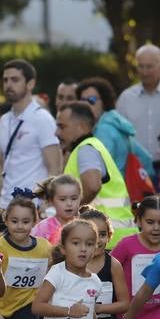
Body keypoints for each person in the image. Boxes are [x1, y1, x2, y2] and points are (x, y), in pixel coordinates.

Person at [55, 101, 136, 245]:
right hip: (116, 238)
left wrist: (69, 212)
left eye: (62, 126)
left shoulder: (85, 149)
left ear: (82, 126)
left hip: (106, 240)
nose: (57, 133)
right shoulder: (92, 146)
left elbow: (92, 186)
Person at [0, 60, 62, 213]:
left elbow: (55, 167)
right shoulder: (4, 120)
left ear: (30, 84)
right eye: (5, 80)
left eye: (15, 79)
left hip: (33, 208)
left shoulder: (42, 119)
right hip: (5, 207)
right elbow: (2, 166)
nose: (8, 84)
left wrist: (46, 205)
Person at [115, 44, 160, 165]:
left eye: (149, 67)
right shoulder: (126, 97)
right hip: (136, 168)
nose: (145, 72)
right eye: (141, 66)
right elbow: (119, 135)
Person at [29, 174, 83, 247]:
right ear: (51, 201)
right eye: (62, 199)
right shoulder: (43, 228)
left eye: (74, 198)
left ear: (80, 198)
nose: (69, 203)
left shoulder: (84, 227)